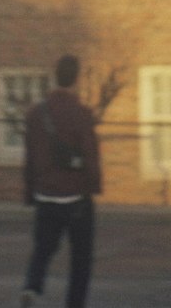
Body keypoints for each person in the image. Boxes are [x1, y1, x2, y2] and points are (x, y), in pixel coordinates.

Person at [20, 54, 101, 307]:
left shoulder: (35, 114)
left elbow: (30, 156)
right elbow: (90, 155)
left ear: (55, 76)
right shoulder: (81, 113)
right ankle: (74, 303)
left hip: (46, 194)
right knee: (81, 259)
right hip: (76, 197)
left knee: (43, 248)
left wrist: (30, 191)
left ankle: (32, 286)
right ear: (76, 78)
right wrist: (93, 186)